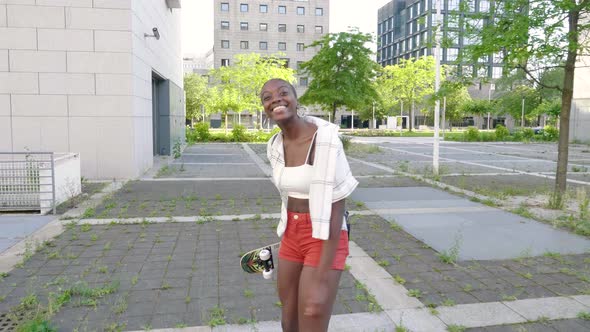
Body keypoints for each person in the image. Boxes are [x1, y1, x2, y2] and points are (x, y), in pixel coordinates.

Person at [261, 78, 358, 332]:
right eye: (267, 97)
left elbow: (337, 208)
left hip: (324, 233)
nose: (276, 99)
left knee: (312, 313)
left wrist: (322, 277)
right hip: (292, 234)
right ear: (264, 108)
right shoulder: (274, 145)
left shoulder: (325, 141)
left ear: (296, 99)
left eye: (283, 93)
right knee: (288, 318)